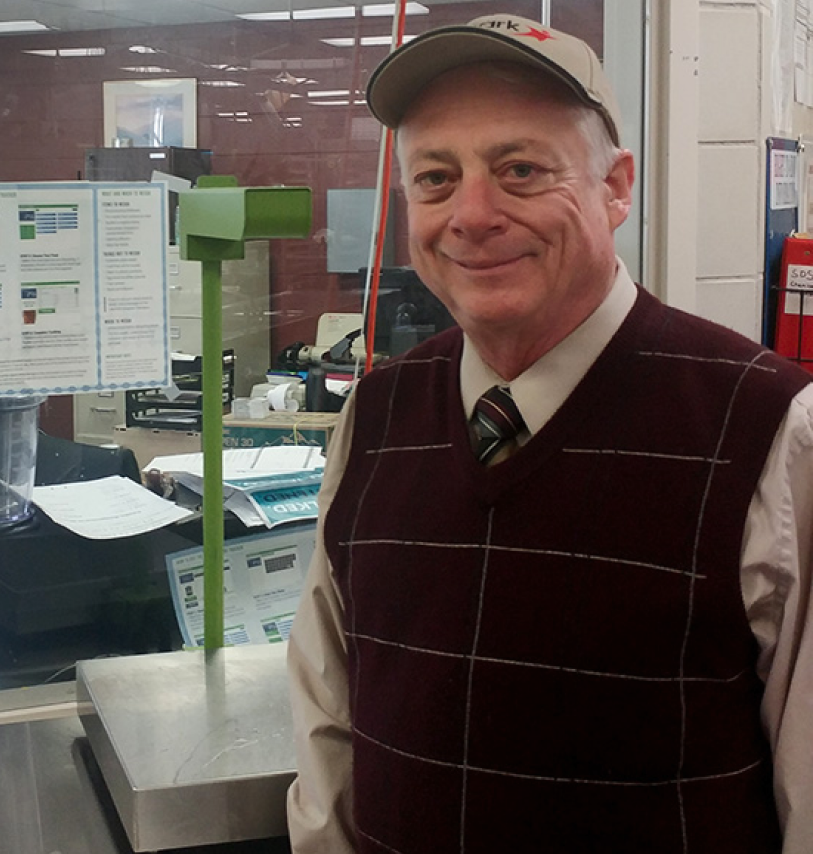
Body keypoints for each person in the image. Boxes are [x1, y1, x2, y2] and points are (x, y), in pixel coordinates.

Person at [285, 13, 813, 854]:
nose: (473, 213)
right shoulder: (374, 419)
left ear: (617, 187)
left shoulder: (765, 428)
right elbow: (328, 725)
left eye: (520, 170)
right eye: (435, 178)